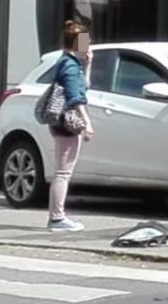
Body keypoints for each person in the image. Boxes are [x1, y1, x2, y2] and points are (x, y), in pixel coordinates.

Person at [48, 20, 94, 233]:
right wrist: (87, 124)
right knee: (63, 173)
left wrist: (87, 65)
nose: (89, 44)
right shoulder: (69, 65)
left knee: (62, 171)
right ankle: (57, 218)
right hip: (67, 123)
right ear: (77, 42)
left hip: (61, 122)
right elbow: (76, 98)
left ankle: (57, 216)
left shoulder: (68, 62)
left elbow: (83, 86)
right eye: (86, 41)